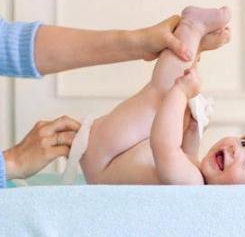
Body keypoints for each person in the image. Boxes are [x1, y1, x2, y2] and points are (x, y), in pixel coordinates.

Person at [79, 6, 245, 185]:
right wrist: (193, 134)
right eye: (243, 141)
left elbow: (164, 147)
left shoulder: (192, 184)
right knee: (171, 109)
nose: (236, 149)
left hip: (102, 162)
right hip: (115, 153)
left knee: (160, 97)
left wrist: (181, 92)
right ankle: (192, 49)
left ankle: (191, 28)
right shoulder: (195, 174)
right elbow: (184, 155)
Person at [0, 13, 193, 188]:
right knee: (159, 94)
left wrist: (141, 41)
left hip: (101, 156)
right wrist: (11, 162)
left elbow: (7, 43)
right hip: (102, 157)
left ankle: (192, 29)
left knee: (158, 93)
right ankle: (193, 30)